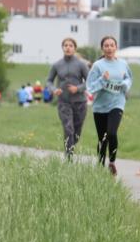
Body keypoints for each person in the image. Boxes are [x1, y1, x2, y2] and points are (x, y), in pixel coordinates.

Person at [86, 36, 132, 175]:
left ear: (116, 47)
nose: (109, 48)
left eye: (112, 45)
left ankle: (111, 162)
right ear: (102, 48)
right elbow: (90, 87)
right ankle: (100, 165)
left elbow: (129, 79)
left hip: (117, 103)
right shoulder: (98, 65)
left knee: (111, 133)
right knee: (102, 138)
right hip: (100, 106)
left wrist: (124, 84)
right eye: (106, 45)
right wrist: (102, 79)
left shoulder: (123, 64)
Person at [47, 37, 91, 160]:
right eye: (65, 45)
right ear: (62, 48)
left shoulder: (81, 65)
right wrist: (54, 90)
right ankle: (69, 157)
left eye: (70, 45)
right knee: (68, 128)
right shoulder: (57, 65)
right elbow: (49, 81)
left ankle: (70, 147)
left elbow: (90, 81)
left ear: (74, 48)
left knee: (76, 133)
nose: (68, 47)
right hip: (64, 102)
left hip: (80, 102)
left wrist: (78, 88)